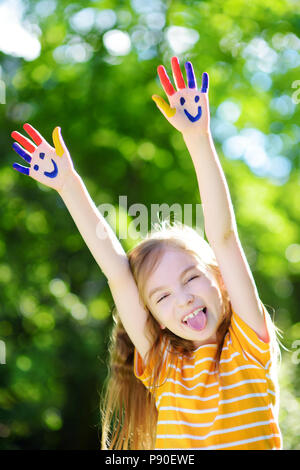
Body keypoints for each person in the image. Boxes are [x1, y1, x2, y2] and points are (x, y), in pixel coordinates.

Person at [10, 57, 282, 450]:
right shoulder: (162, 365)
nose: (184, 297)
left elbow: (223, 237)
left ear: (220, 278)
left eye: (190, 278)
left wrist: (197, 137)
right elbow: (117, 273)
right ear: (151, 315)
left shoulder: (249, 344)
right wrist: (69, 184)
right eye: (162, 296)